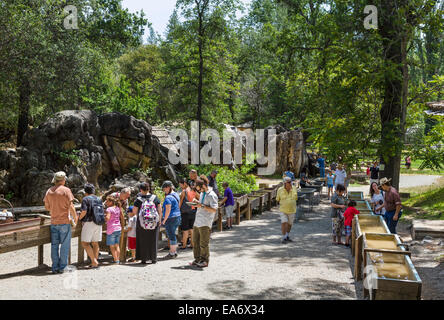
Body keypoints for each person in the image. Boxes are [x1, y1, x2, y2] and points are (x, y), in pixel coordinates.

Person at [44, 171, 77, 274]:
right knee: (64, 245)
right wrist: (75, 218)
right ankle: (62, 267)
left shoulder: (49, 191)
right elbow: (71, 207)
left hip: (53, 222)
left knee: (54, 246)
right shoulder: (66, 190)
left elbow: (47, 207)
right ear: (63, 180)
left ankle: (54, 268)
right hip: (64, 222)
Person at [131, 182, 162, 264]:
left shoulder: (138, 199)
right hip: (154, 222)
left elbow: (134, 211)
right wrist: (160, 220)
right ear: (148, 189)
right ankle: (153, 258)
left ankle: (143, 259)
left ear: (141, 190)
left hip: (142, 223)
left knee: (143, 240)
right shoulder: (155, 198)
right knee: (153, 239)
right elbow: (160, 210)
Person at [191, 176, 218, 268]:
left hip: (205, 222)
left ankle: (205, 260)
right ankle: (197, 259)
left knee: (203, 243)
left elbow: (214, 209)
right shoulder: (203, 193)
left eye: (199, 188)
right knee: (195, 242)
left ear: (203, 185)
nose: (198, 190)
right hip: (197, 221)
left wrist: (201, 205)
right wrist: (196, 202)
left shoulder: (212, 195)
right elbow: (202, 204)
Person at [78, 183, 102, 269]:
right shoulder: (99, 199)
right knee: (95, 243)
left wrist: (79, 219)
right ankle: (94, 262)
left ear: (85, 191)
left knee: (85, 243)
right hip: (98, 223)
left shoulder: (85, 199)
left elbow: (84, 211)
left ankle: (94, 261)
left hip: (89, 222)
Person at [161, 181, 182, 260]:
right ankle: (174, 251)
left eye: (164, 189)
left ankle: (172, 253)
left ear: (168, 187)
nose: (164, 191)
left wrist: (164, 220)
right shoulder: (176, 195)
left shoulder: (168, 197)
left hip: (171, 218)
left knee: (171, 235)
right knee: (172, 234)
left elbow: (168, 210)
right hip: (177, 216)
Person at [276, 177, 298, 244]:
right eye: (289, 182)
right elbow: (277, 199)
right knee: (284, 222)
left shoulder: (294, 188)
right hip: (283, 209)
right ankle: (283, 238)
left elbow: (296, 198)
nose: (290, 183)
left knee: (290, 224)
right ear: (285, 183)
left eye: (291, 182)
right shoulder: (280, 190)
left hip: (292, 210)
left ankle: (287, 235)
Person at [105, 194, 124, 264]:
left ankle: (115, 259)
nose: (106, 202)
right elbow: (122, 217)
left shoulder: (109, 209)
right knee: (117, 245)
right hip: (118, 228)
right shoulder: (118, 208)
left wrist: (104, 218)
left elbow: (107, 218)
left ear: (111, 202)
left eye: (107, 201)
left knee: (112, 246)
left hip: (111, 229)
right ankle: (118, 259)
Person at [179, 178, 197, 250]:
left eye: (180, 184)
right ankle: (192, 244)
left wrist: (178, 211)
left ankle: (184, 245)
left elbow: (180, 203)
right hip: (193, 211)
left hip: (185, 213)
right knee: (191, 229)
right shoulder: (193, 190)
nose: (180, 186)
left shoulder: (184, 191)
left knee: (185, 230)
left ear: (184, 183)